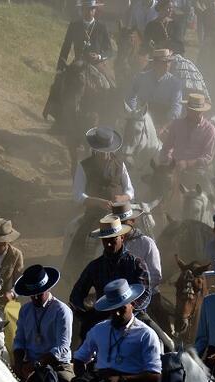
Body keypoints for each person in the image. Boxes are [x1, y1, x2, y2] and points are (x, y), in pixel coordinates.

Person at [70, 216, 173, 354]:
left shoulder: (136, 263)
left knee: (167, 346)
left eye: (113, 240)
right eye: (105, 241)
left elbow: (146, 293)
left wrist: (128, 309)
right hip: (102, 316)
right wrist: (89, 313)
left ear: (122, 238)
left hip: (134, 314)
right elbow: (76, 295)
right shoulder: (94, 267)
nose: (109, 245)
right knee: (80, 348)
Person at [67, 127, 134, 278]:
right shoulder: (84, 166)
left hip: (121, 211)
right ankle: (76, 274)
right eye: (101, 152)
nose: (105, 156)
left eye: (107, 152)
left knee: (143, 231)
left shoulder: (120, 164)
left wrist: (122, 198)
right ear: (94, 149)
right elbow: (78, 195)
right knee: (83, 238)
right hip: (96, 213)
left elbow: (130, 190)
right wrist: (97, 202)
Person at [13, 265, 74, 382]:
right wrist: (19, 364)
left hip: (57, 365)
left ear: (48, 288)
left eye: (38, 294)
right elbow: (19, 341)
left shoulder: (62, 311)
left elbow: (62, 347)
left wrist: (37, 364)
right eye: (31, 295)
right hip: (29, 366)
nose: (34, 298)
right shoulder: (25, 310)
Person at [105, 201, 170, 334]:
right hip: (116, 298)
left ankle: (169, 345)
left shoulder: (146, 243)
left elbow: (156, 275)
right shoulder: (110, 244)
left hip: (146, 296)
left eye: (124, 222)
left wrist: (135, 294)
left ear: (132, 221)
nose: (121, 225)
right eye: (118, 222)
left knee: (161, 326)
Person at [159, 93, 215, 190]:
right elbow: (166, 147)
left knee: (202, 195)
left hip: (196, 171)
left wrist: (187, 163)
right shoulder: (176, 124)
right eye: (191, 111)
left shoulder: (209, 129)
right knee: (156, 184)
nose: (193, 114)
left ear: (202, 112)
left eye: (197, 112)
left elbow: (207, 156)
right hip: (173, 167)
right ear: (187, 110)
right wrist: (168, 159)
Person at [126, 48, 185, 128]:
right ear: (155, 63)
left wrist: (165, 126)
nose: (167, 65)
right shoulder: (140, 77)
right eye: (164, 62)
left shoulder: (175, 83)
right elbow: (130, 96)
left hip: (165, 122)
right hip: (142, 119)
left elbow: (177, 106)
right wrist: (134, 113)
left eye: (169, 62)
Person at [57, 0, 113, 72]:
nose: (89, 12)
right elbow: (66, 47)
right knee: (61, 80)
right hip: (77, 64)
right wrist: (60, 67)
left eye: (91, 9)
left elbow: (109, 50)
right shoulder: (74, 26)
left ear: (95, 10)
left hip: (97, 66)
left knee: (109, 81)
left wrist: (99, 56)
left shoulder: (102, 27)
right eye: (86, 9)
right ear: (82, 10)